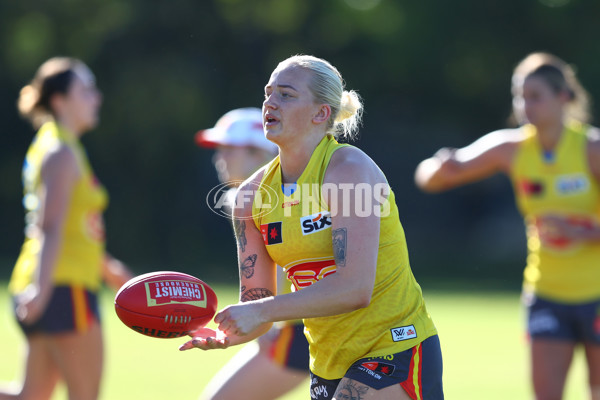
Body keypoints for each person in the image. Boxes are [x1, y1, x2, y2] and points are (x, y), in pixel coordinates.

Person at [181, 55, 444, 400]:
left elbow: (355, 289)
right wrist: (226, 333)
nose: (270, 103)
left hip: (394, 346)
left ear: (321, 113)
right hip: (326, 361)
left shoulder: (349, 171)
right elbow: (257, 303)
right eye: (268, 93)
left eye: (286, 95)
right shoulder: (250, 198)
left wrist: (260, 310)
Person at [414, 52, 600, 400]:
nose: (524, 105)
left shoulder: (591, 149)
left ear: (563, 98)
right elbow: (428, 178)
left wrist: (584, 232)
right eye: (519, 96)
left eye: (535, 96)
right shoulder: (512, 148)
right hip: (546, 295)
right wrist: (443, 165)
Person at [0, 57, 133, 400]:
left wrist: (107, 268)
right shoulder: (61, 152)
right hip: (62, 287)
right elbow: (50, 228)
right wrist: (42, 294)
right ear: (59, 101)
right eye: (86, 90)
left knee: (29, 396)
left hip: (50, 282)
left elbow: (72, 229)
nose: (97, 97)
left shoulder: (61, 145)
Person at [194, 107, 310, 399]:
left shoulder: (281, 195)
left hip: (302, 328)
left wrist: (267, 319)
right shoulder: (253, 196)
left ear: (260, 153)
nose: (219, 157)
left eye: (229, 149)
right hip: (296, 324)